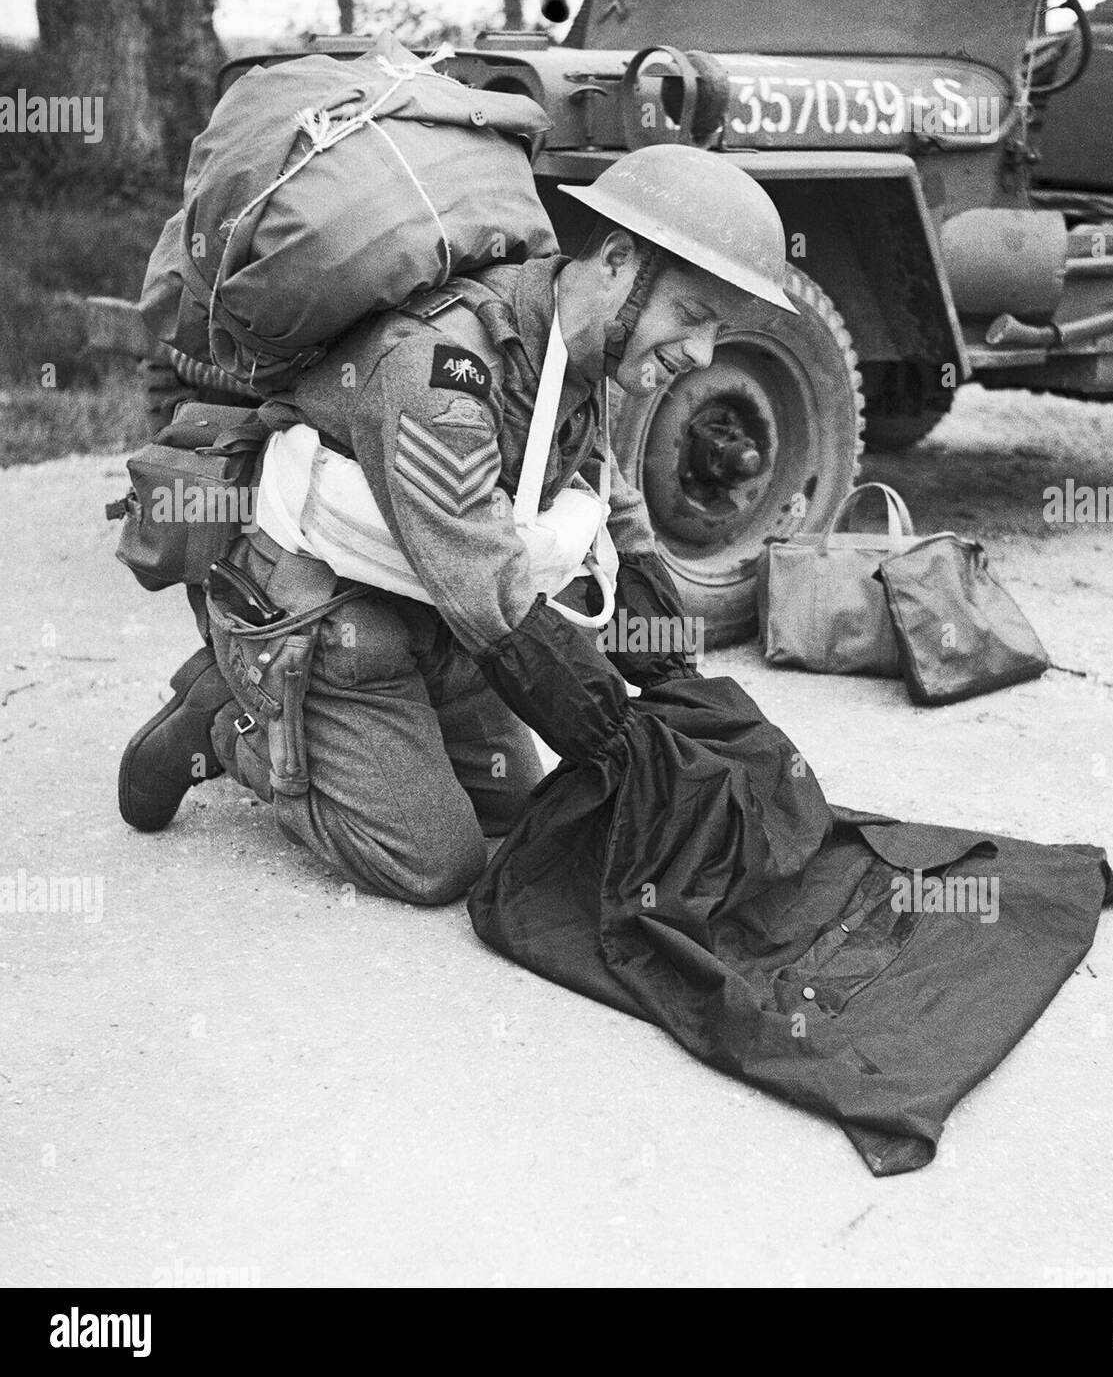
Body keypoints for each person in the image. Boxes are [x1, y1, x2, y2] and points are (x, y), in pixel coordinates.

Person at [117, 143, 796, 904]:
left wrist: (678, 683)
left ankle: (388, 720)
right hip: (323, 612)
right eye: (692, 317)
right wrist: (614, 733)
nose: (701, 356)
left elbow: (616, 513)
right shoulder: (442, 366)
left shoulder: (578, 356)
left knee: (513, 811)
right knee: (435, 862)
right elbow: (485, 582)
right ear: (616, 260)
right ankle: (226, 720)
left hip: (428, 612)